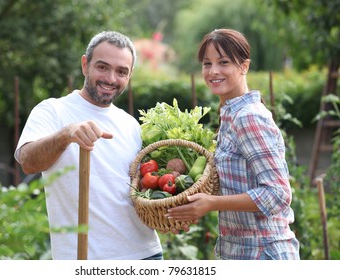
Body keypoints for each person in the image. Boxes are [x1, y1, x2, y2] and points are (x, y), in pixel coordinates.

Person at [15, 31, 163, 260]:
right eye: (102, 67)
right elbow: (28, 162)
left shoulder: (130, 124)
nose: (111, 79)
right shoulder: (53, 110)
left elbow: (141, 188)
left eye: (121, 71)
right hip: (84, 258)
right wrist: (65, 135)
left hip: (145, 254)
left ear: (130, 75)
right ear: (85, 65)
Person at [166, 28, 300, 260]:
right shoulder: (229, 116)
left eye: (224, 62)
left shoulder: (248, 117)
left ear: (244, 66)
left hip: (263, 253)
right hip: (238, 252)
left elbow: (278, 195)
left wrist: (212, 203)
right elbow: (234, 186)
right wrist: (187, 207)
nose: (213, 71)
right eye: (207, 63)